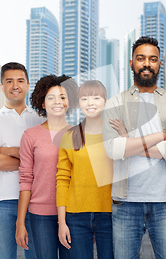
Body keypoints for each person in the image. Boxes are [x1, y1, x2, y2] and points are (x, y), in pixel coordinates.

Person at [102, 36, 166, 259]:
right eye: (141, 58)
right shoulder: (115, 103)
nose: (147, 64)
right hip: (126, 203)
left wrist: (129, 140)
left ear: (160, 64)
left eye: (153, 59)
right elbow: (113, 149)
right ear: (131, 63)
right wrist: (160, 136)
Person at [0, 62, 43, 259]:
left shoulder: (40, 120)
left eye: (20, 80)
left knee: (37, 256)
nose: (15, 85)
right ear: (2, 86)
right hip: (1, 201)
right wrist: (31, 160)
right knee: (4, 257)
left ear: (27, 84)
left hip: (36, 200)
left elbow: (49, 160)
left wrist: (9, 151)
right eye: (9, 81)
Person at [15, 75, 78, 259]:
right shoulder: (30, 135)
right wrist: (20, 222)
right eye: (51, 97)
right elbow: (26, 180)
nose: (57, 102)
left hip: (72, 213)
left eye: (62, 97)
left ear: (69, 102)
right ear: (42, 103)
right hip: (40, 215)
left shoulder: (79, 134)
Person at [56, 80, 114, 259]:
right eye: (85, 98)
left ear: (105, 101)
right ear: (79, 103)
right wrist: (62, 222)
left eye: (96, 97)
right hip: (76, 216)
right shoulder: (69, 136)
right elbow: (62, 179)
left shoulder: (115, 133)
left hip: (111, 214)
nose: (90, 103)